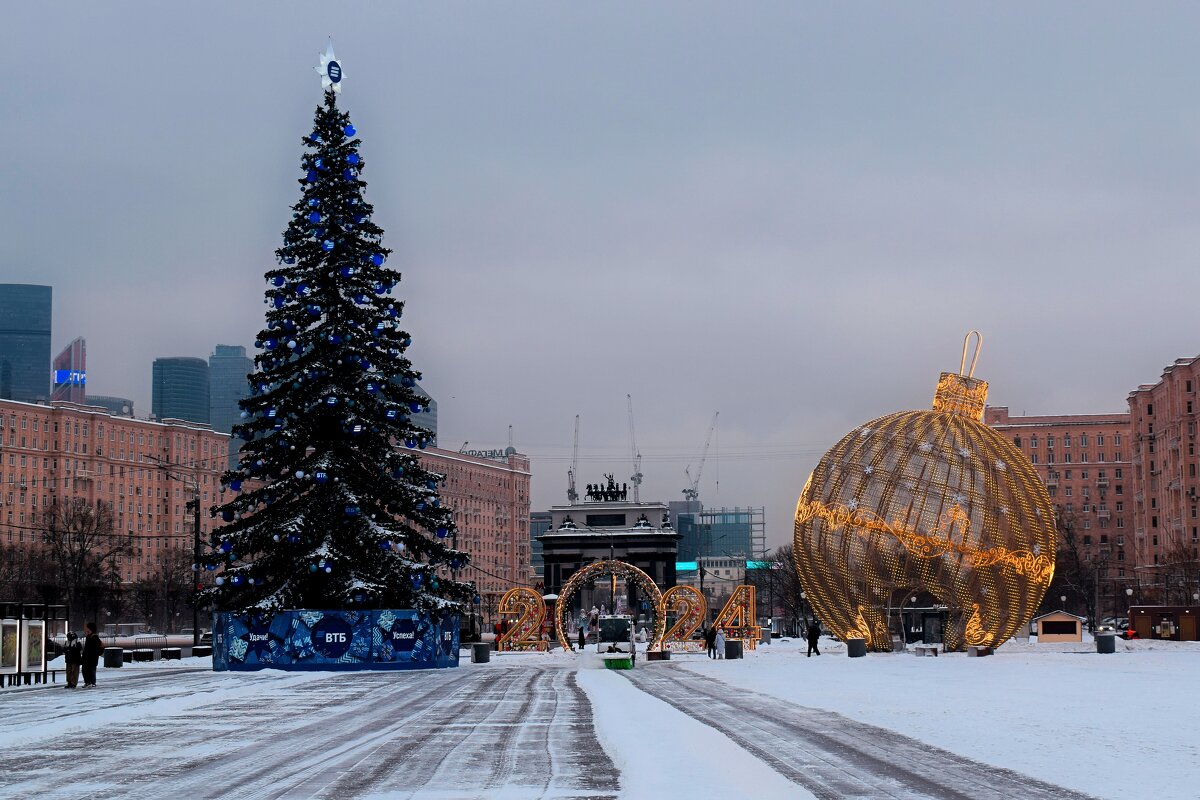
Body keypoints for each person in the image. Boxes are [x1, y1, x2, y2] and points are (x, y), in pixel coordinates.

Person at [81, 622, 103, 688]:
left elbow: (95, 648)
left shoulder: (95, 637)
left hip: (92, 657)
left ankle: (92, 682)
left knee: (91, 670)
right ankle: (87, 682)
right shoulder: (88, 636)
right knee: (84, 670)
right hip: (87, 657)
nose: (86, 629)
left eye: (87, 627)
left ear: (90, 628)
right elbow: (86, 647)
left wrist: (92, 654)